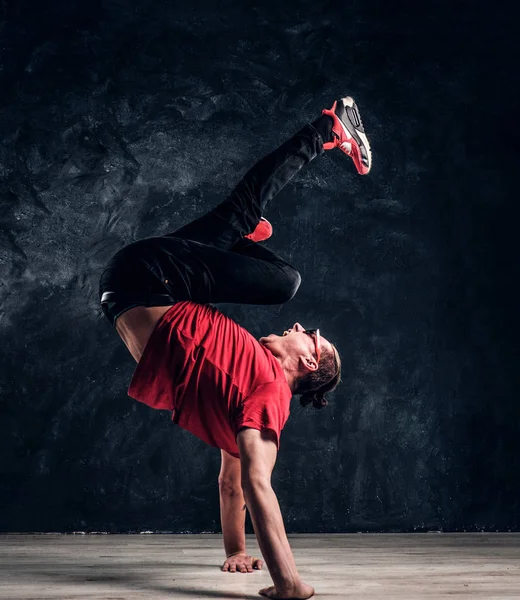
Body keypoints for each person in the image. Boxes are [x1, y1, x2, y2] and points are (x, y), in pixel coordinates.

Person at [99, 95, 371, 600]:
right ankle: (244, 229)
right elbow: (236, 486)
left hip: (147, 279)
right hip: (136, 286)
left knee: (284, 280)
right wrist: (233, 550)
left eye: (306, 333)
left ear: (307, 361)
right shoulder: (250, 396)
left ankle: (326, 130)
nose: (296, 326)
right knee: (241, 220)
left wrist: (287, 581)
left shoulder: (267, 395)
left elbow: (250, 486)